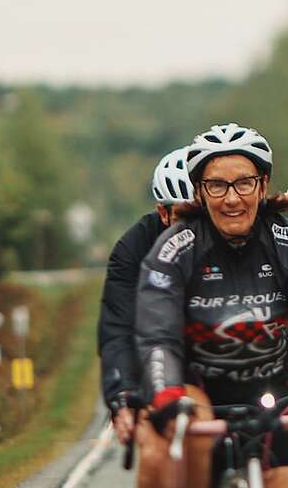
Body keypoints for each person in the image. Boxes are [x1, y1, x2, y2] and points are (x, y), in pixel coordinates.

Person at [134, 123, 288, 488]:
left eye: (244, 183)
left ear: (263, 184)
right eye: (217, 185)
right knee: (183, 441)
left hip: (273, 391)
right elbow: (158, 335)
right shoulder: (175, 248)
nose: (232, 198)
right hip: (198, 390)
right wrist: (166, 394)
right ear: (200, 192)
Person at [98, 146, 194, 445]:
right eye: (182, 216)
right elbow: (118, 328)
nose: (194, 228)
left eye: (200, 215)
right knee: (157, 452)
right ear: (162, 212)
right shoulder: (133, 247)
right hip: (159, 364)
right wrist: (122, 392)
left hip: (226, 365)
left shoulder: (231, 234)